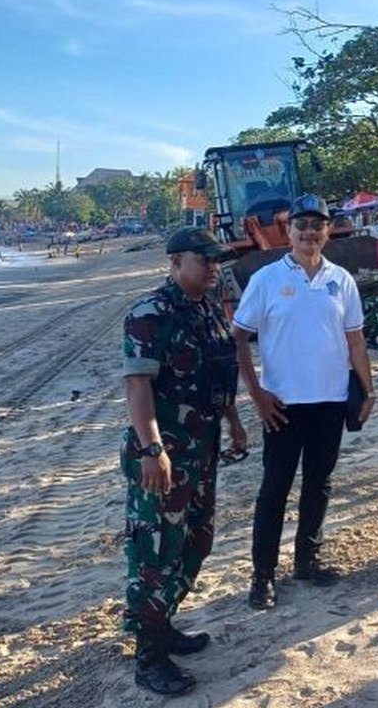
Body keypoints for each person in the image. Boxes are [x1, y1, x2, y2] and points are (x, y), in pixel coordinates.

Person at [120, 227, 249, 695]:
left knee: (196, 541)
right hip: (163, 454)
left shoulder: (207, 311)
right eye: (204, 259)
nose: (214, 268)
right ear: (175, 262)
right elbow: (138, 387)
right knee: (155, 553)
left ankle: (164, 624)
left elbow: (220, 374)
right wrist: (153, 450)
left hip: (202, 448)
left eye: (217, 260)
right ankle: (148, 655)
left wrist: (233, 421)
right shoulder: (150, 314)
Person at [232, 194, 376, 610]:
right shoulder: (266, 280)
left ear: (328, 230)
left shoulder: (341, 279)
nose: (310, 233)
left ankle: (306, 561)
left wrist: (368, 389)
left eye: (318, 225)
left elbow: (355, 339)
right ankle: (262, 577)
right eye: (302, 226)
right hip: (283, 405)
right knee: (274, 490)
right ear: (290, 231)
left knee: (319, 485)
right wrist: (256, 394)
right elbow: (239, 338)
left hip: (330, 401)